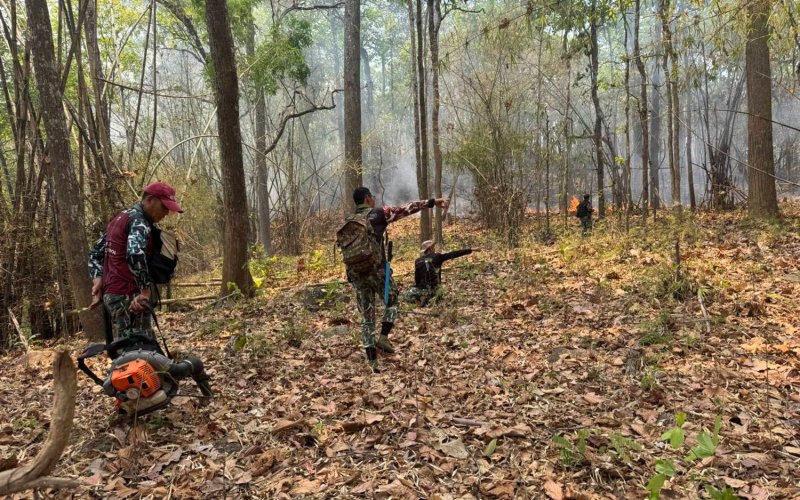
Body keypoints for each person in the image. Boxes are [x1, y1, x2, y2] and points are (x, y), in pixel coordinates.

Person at [345, 187, 448, 372]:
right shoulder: (379, 214)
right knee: (392, 300)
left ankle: (372, 363)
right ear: (368, 198)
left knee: (367, 318)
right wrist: (433, 202)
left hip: (356, 274)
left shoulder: (349, 221)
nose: (374, 199)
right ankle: (383, 337)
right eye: (373, 196)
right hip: (376, 271)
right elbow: (407, 208)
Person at [88, 182, 183, 342]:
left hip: (114, 295)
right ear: (150, 200)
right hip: (129, 297)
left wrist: (98, 280)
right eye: (164, 207)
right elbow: (135, 253)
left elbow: (95, 253)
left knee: (127, 347)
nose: (166, 213)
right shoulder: (140, 222)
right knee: (138, 350)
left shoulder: (120, 218)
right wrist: (145, 290)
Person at [402, 240, 474, 306]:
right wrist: (469, 250)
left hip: (423, 290)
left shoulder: (417, 261)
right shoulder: (437, 256)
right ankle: (428, 301)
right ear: (430, 249)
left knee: (407, 294)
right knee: (432, 295)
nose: (434, 249)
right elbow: (453, 254)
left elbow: (417, 280)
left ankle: (421, 301)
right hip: (436, 291)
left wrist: (418, 287)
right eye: (433, 247)